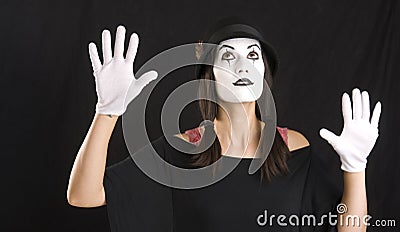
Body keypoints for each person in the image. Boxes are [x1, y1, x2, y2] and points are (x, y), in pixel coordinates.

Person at [67, 17, 381, 232]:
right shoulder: (181, 149)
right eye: (228, 57)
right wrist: (107, 111)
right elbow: (83, 195)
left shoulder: (292, 148)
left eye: (253, 55)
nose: (243, 65)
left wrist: (355, 168)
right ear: (210, 73)